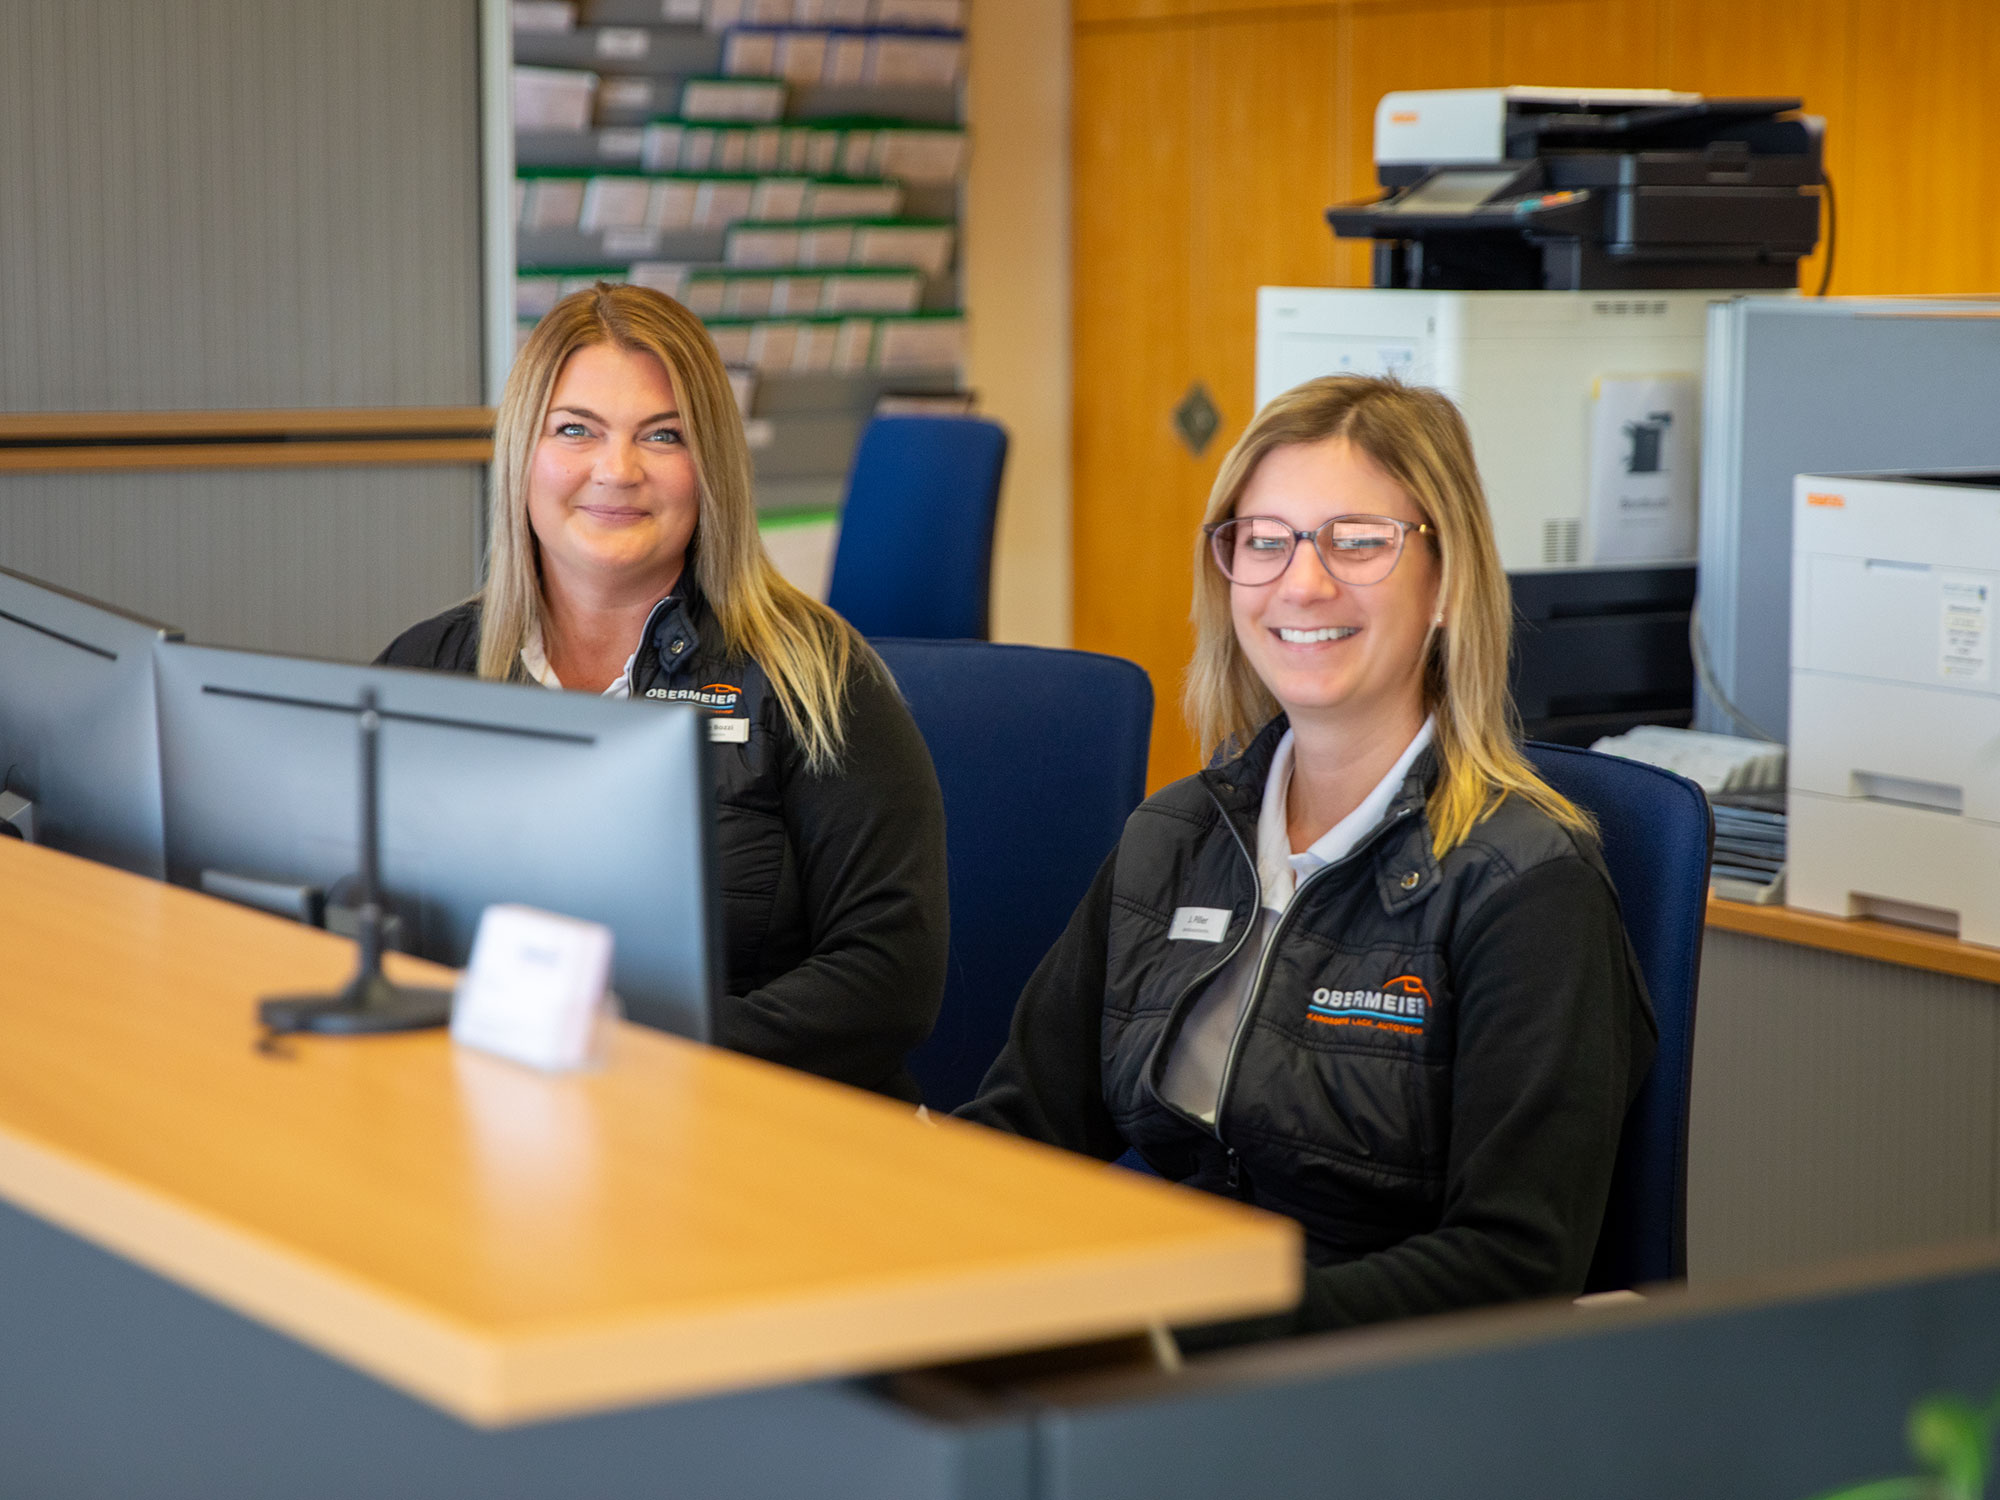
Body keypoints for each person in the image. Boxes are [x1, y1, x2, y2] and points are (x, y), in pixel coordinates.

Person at [959, 375, 1657, 1340]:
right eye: (1265, 540)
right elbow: (1018, 1131)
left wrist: (1200, 1324)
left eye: (1357, 541)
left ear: (1448, 582)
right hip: (1164, 1337)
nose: (1303, 583)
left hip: (1367, 1379)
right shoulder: (1177, 835)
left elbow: (1513, 1263)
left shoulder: (1525, 885)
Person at [379, 284, 947, 1100]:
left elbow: (890, 976)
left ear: (709, 465)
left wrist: (642, 1061)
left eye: (663, 435)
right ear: (522, 455)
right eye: (576, 429)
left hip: (746, 1120)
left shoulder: (816, 677)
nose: (618, 470)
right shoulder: (424, 670)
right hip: (486, 1103)